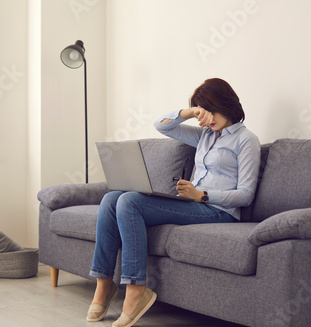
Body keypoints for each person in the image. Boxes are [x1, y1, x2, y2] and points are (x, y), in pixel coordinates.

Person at [87, 78, 261, 327]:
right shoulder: (205, 135)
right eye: (204, 112)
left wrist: (201, 195)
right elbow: (162, 126)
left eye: (211, 110)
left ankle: (136, 288)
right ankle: (104, 283)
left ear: (227, 104)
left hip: (218, 210)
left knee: (130, 202)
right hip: (192, 204)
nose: (208, 118)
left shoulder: (246, 140)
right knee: (111, 198)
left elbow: (246, 194)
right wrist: (190, 111)